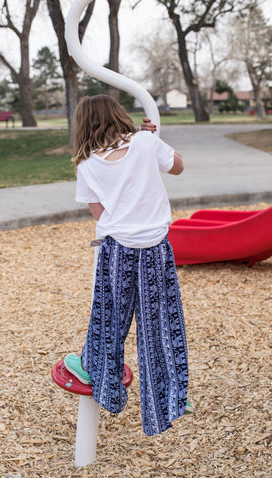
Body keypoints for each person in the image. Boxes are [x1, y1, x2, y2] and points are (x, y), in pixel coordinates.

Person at [64, 95, 192, 436]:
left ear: (85, 125)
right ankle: (171, 397)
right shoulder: (147, 142)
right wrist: (154, 138)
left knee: (109, 319)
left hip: (118, 250)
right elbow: (178, 166)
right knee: (160, 324)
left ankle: (102, 380)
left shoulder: (88, 164)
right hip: (156, 248)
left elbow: (99, 214)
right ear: (120, 116)